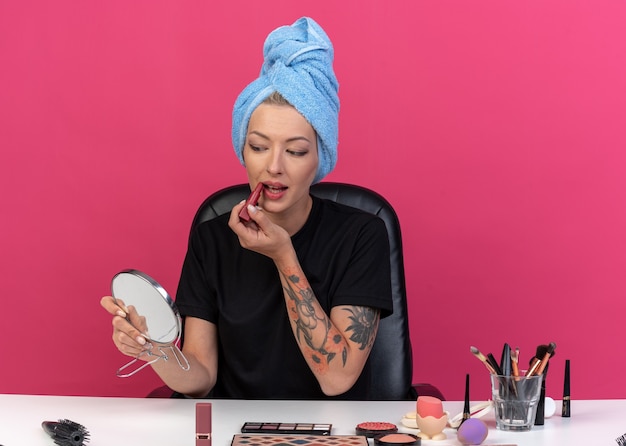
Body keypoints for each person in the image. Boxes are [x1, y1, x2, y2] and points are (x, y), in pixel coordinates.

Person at [101, 17, 392, 399]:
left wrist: (284, 256)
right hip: (232, 431)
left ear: (320, 157)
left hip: (329, 433)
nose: (274, 165)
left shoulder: (361, 234)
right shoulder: (211, 238)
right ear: (242, 150)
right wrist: (150, 347)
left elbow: (336, 379)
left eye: (296, 150)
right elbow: (200, 376)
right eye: (258, 146)